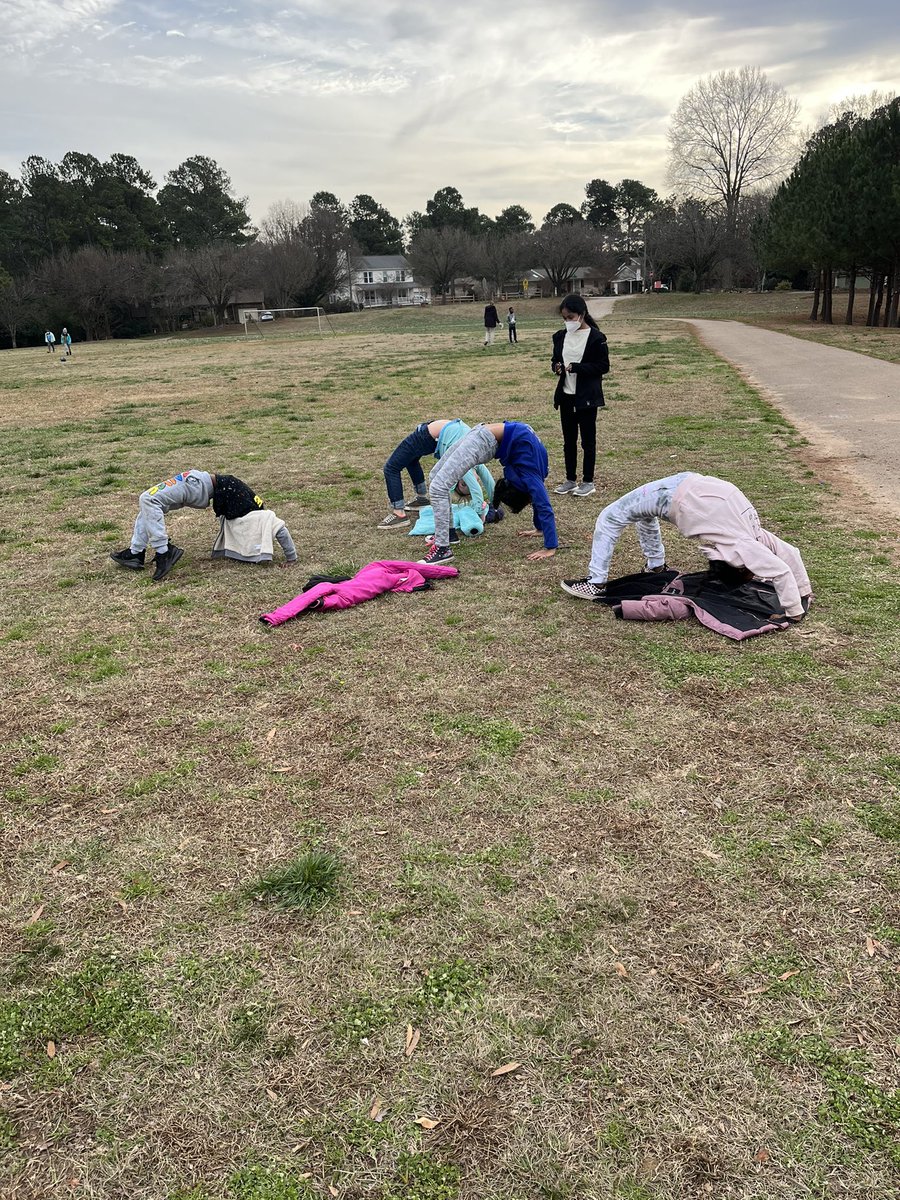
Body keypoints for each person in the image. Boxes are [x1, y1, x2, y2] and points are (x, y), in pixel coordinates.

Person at [560, 472, 812, 619]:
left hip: (687, 490)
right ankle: (656, 566)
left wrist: (795, 607)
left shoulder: (749, 538)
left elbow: (784, 564)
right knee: (640, 513)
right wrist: (799, 599)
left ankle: (595, 583)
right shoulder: (748, 543)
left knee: (611, 516)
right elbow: (786, 558)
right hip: (687, 491)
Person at [110, 471, 290, 582]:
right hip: (197, 483)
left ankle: (150, 552)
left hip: (199, 483)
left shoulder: (252, 511)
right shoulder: (258, 515)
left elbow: (277, 529)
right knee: (148, 501)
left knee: (148, 500)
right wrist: (291, 558)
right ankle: (145, 553)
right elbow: (279, 529)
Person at [420, 421, 557, 565]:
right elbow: (543, 505)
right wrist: (549, 543)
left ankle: (442, 549)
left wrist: (543, 536)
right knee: (435, 477)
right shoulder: (531, 477)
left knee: (438, 487)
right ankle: (449, 534)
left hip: (483, 438)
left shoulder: (536, 472)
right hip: (481, 435)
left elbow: (537, 499)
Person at [378, 419, 495, 530]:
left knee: (391, 468)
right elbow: (489, 482)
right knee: (411, 459)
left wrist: (480, 515)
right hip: (435, 438)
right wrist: (495, 505)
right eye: (470, 483)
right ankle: (421, 499)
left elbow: (475, 490)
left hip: (427, 436)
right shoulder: (475, 461)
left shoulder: (463, 467)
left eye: (464, 484)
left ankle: (399, 513)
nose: (470, 480)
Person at [551, 294, 609, 499]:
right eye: (564, 318)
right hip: (566, 396)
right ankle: (570, 479)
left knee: (587, 441)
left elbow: (603, 366)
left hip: (586, 398)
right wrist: (557, 367)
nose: (568, 322)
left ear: (582, 314)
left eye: (571, 317)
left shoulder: (596, 338)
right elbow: (555, 360)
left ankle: (588, 481)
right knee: (569, 441)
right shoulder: (560, 337)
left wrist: (578, 368)